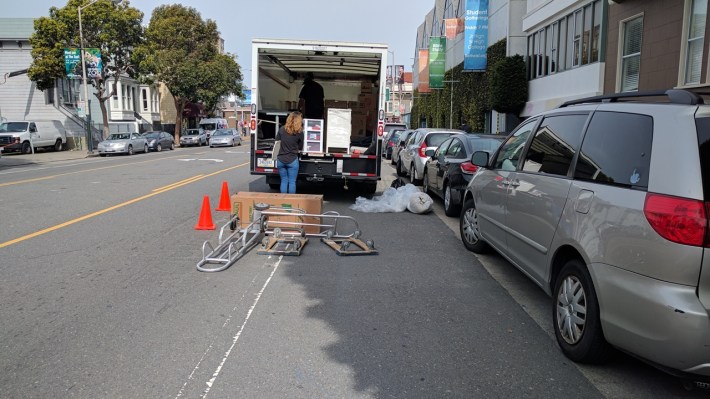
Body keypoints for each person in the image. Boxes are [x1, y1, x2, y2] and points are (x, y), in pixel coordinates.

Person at [275, 112, 304, 193]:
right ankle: (291, 201)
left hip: (281, 160)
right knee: (292, 182)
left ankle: (283, 200)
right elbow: (301, 146)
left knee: (284, 181)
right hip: (292, 160)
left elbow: (277, 142)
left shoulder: (281, 129)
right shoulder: (299, 132)